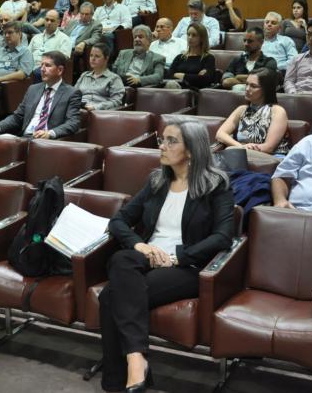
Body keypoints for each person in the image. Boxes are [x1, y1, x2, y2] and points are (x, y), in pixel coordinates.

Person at [99, 120, 235, 392]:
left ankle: (120, 380)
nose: (162, 145)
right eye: (162, 139)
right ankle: (137, 361)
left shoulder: (216, 186)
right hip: (148, 257)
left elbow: (223, 237)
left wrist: (178, 257)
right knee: (122, 258)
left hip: (187, 266)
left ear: (192, 151)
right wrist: (141, 246)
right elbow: (119, 221)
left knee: (110, 296)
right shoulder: (157, 181)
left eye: (171, 141)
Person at [0, 51, 81, 139]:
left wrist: (50, 133)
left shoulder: (71, 93)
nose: (42, 69)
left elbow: (73, 123)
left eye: (47, 65)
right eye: (41, 65)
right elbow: (17, 117)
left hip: (47, 142)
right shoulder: (33, 89)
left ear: (60, 70)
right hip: (24, 138)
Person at [215, 68, 290, 164]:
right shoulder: (241, 109)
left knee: (229, 152)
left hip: (271, 158)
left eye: (253, 86)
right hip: (243, 155)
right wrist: (240, 147)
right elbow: (220, 134)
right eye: (246, 84)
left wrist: (240, 150)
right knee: (228, 153)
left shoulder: (277, 111)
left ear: (266, 89)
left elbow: (269, 147)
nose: (247, 89)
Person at [0, 20, 34, 124]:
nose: (6, 35)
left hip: (3, 86)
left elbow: (22, 74)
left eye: (10, 32)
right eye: (5, 33)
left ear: (19, 34)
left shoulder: (25, 52)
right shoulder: (1, 50)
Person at [164, 22, 217, 90]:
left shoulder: (208, 58)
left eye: (194, 35)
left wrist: (182, 75)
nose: (190, 37)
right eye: (188, 34)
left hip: (194, 92)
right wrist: (196, 76)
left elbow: (205, 80)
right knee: (171, 84)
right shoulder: (180, 57)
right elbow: (168, 76)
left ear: (202, 38)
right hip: (176, 89)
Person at [75, 43, 126, 111]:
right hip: (79, 110)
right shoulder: (84, 75)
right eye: (91, 55)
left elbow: (116, 101)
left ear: (106, 59)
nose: (92, 59)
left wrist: (96, 107)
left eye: (97, 56)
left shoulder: (114, 78)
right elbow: (73, 94)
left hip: (99, 113)